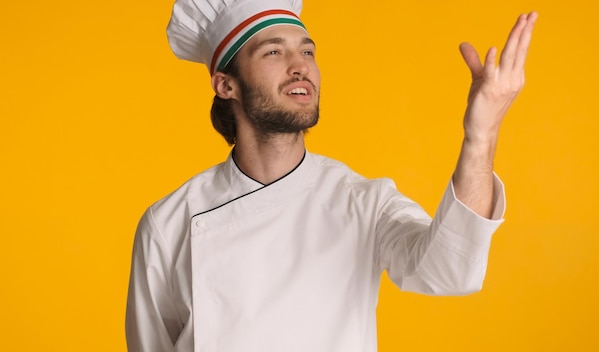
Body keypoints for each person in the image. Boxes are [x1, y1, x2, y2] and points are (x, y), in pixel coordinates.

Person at [125, 0, 537, 350]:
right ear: (225, 84)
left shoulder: (365, 202)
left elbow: (450, 271)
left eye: (307, 52)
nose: (300, 67)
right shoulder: (167, 224)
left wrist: (481, 136)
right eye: (273, 52)